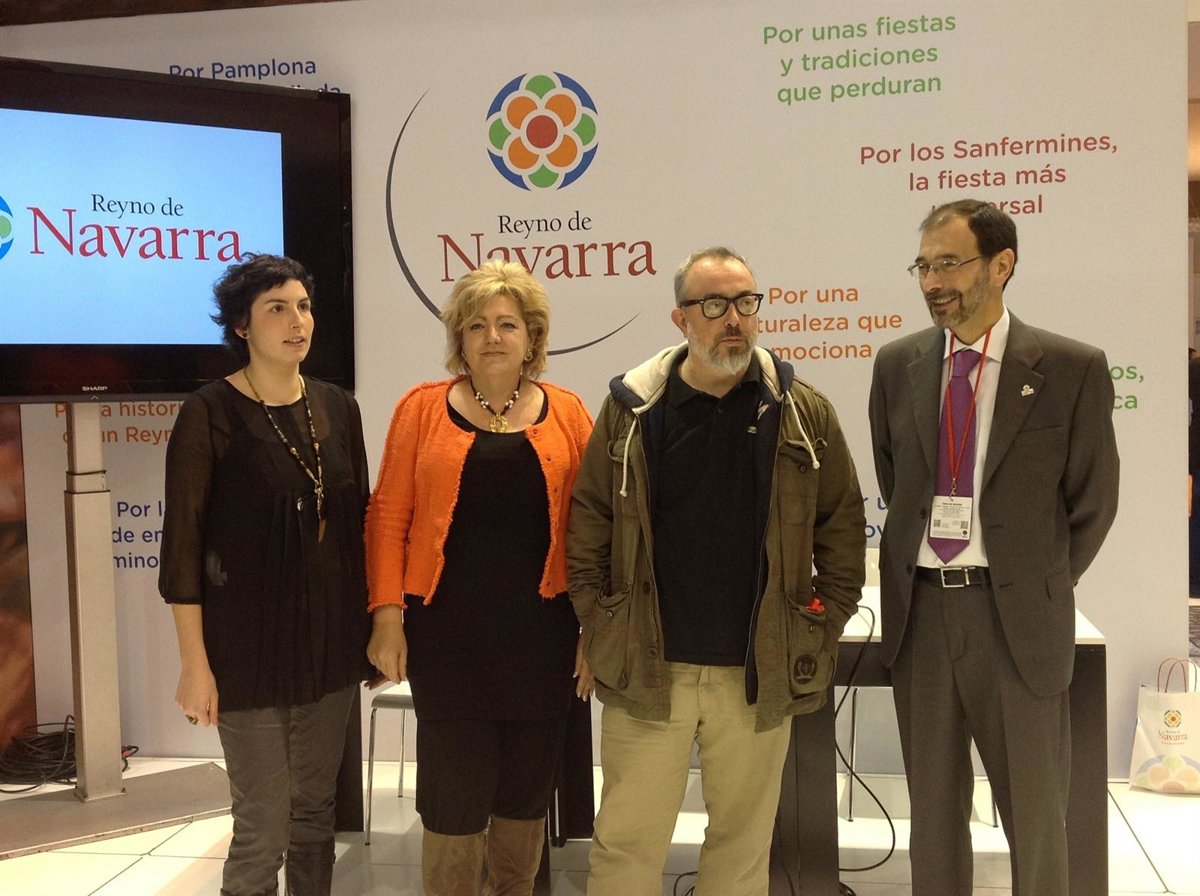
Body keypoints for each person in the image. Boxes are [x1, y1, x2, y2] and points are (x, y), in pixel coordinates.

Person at [567, 246, 866, 896]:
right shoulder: (633, 409)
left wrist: (822, 625)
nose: (734, 318)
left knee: (742, 848)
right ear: (681, 318)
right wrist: (600, 620)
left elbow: (842, 527)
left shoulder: (802, 411)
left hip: (756, 675)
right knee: (626, 847)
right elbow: (589, 519)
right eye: (714, 305)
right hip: (650, 671)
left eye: (745, 302)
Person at [868, 199, 1120, 895]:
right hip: (922, 617)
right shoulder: (897, 365)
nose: (932, 282)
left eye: (950, 264)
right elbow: (897, 480)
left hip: (1017, 625)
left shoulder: (1069, 367)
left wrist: (1035, 583)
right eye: (924, 266)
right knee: (932, 820)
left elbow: (1092, 503)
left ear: (1002, 264)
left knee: (1036, 820)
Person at [364, 260, 594, 896]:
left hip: (543, 639)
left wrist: (595, 628)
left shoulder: (569, 413)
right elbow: (387, 518)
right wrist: (387, 616)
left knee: (525, 793)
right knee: (454, 796)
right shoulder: (420, 409)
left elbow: (596, 529)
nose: (492, 336)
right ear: (459, 338)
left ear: (532, 336)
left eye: (507, 324)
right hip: (447, 639)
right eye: (476, 325)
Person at [159, 254, 370, 896]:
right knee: (261, 827)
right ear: (242, 326)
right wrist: (194, 665)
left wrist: (375, 630)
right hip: (245, 650)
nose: (297, 321)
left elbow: (360, 529)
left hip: (330, 645)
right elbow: (183, 550)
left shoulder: (338, 406)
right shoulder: (209, 412)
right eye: (277, 309)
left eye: (303, 307)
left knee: (314, 818)